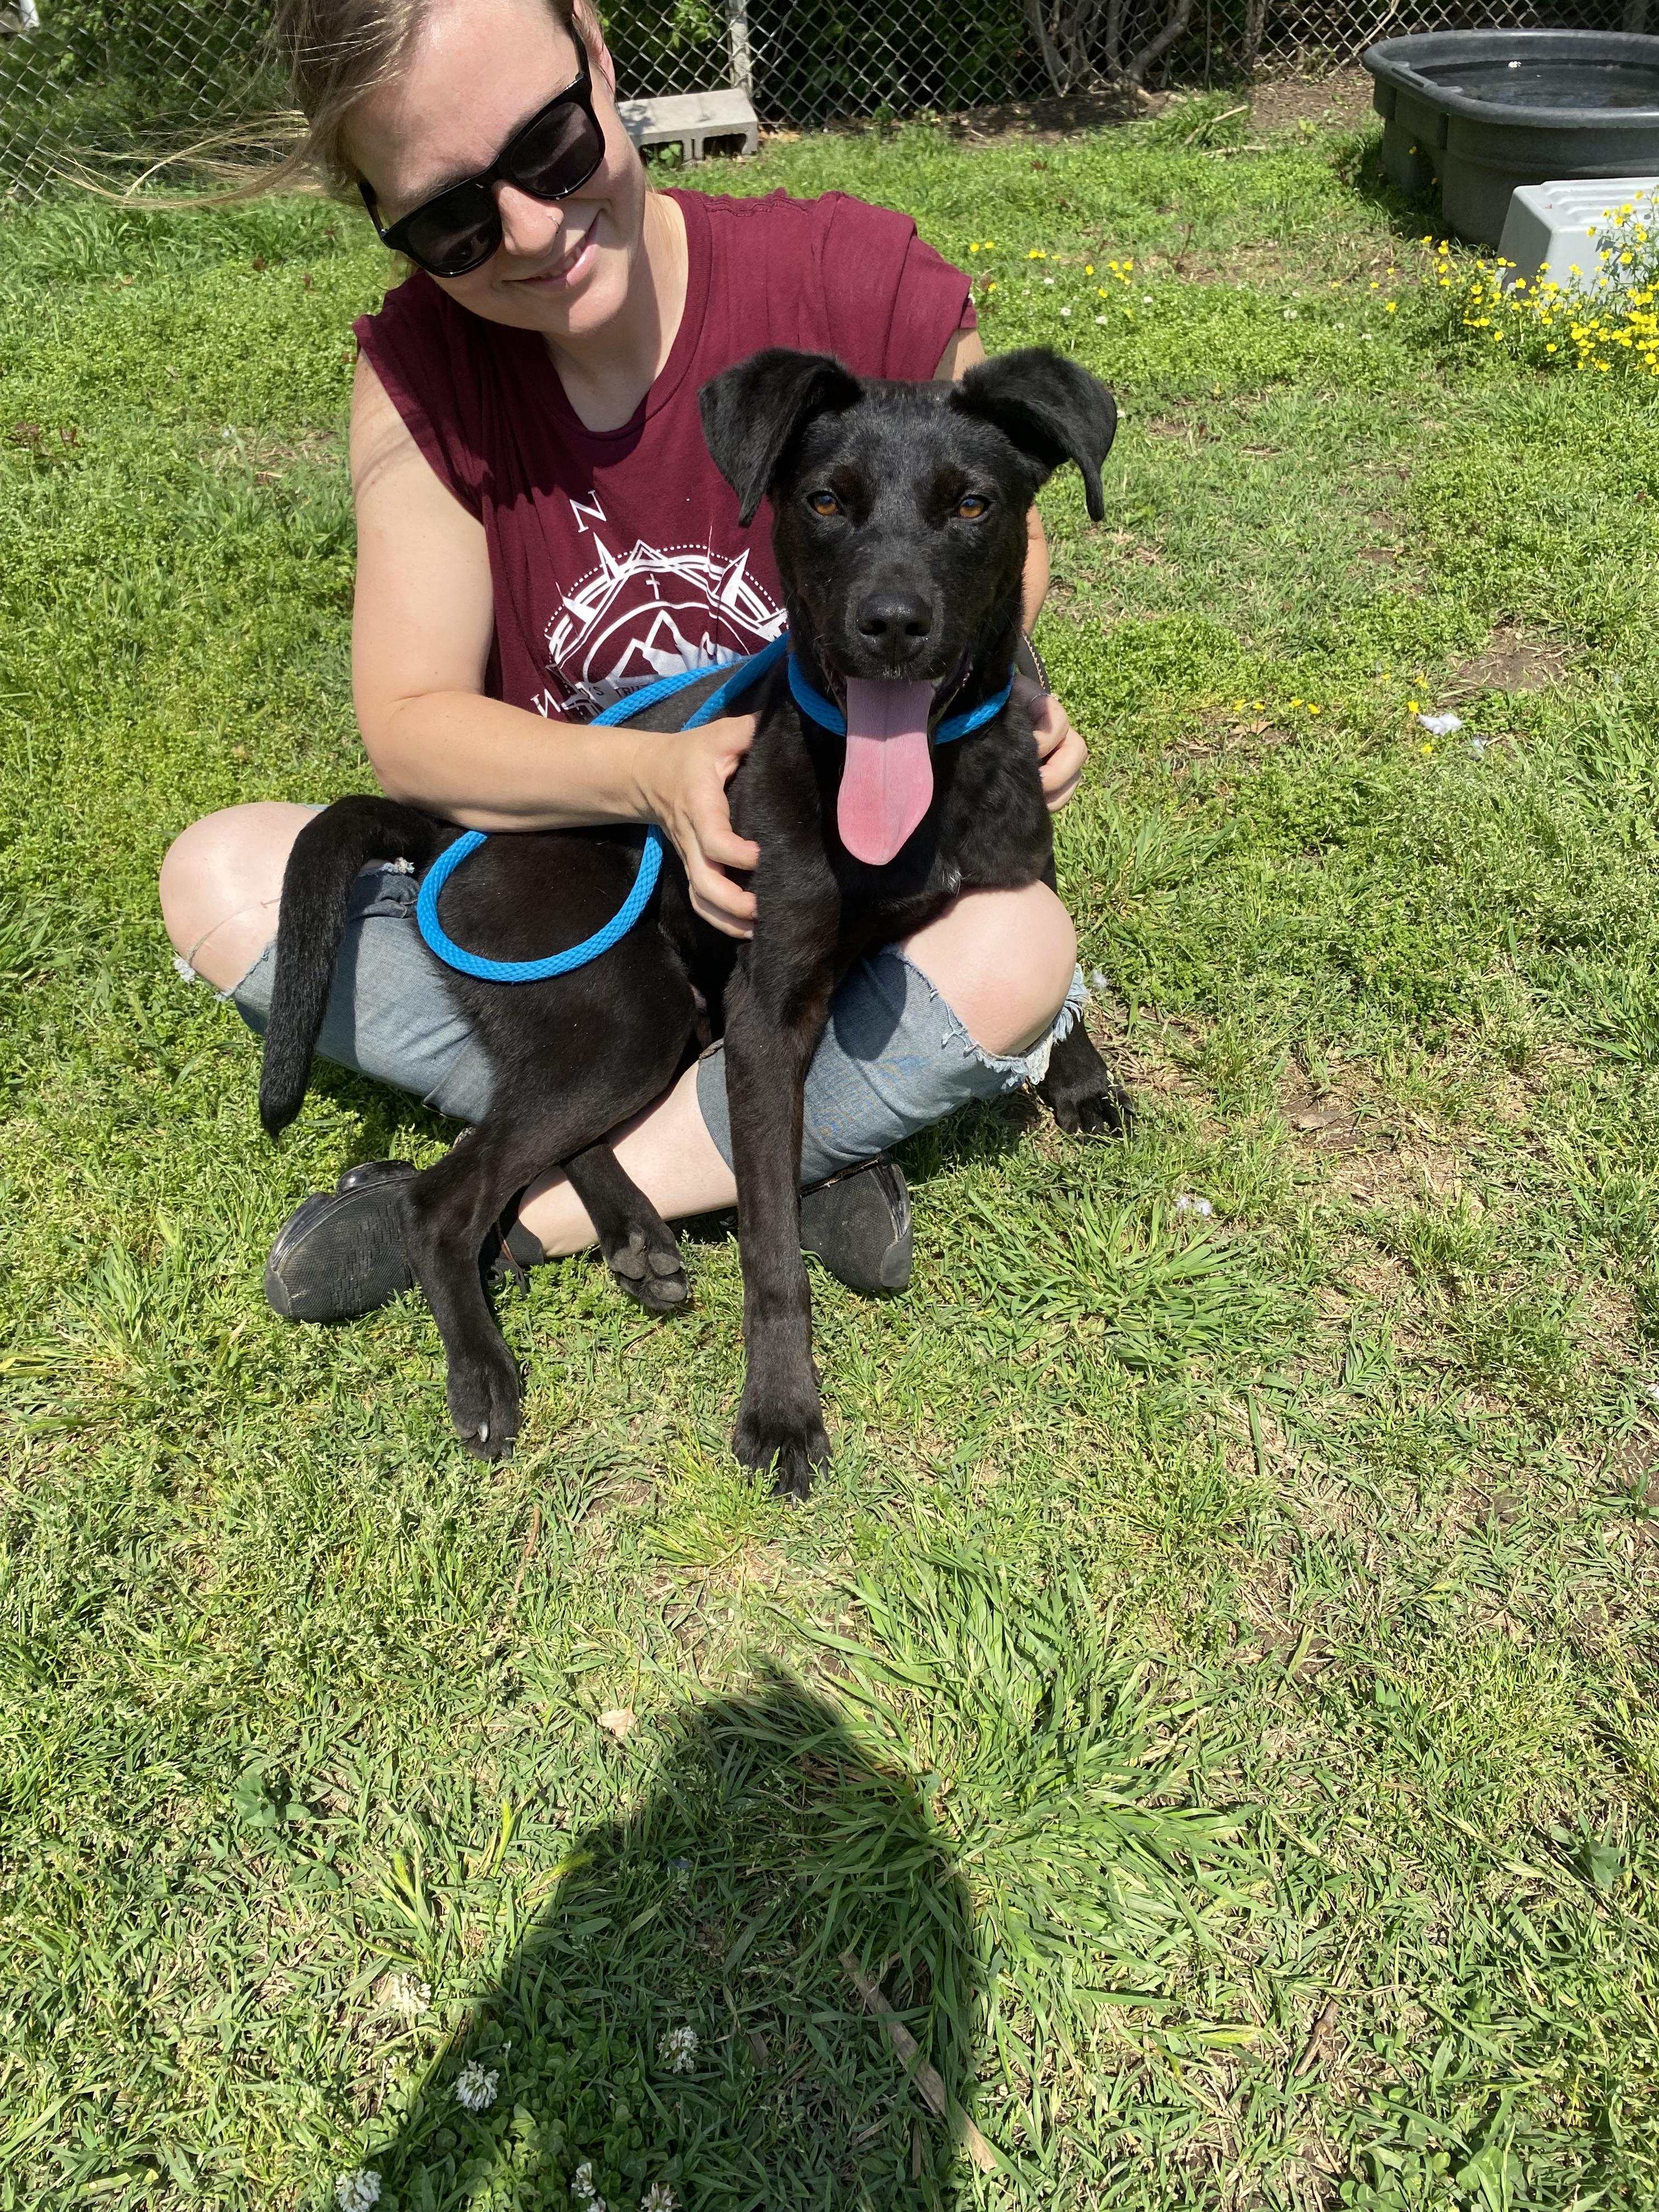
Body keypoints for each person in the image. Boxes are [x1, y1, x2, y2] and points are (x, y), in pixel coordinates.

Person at [159, 0, 1092, 1317]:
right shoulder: (427, 375)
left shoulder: (849, 271)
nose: (532, 231)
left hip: (843, 877)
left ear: (598, 57)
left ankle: (540, 1200)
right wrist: (653, 779)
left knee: (1020, 945)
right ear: (385, 222)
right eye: (452, 220)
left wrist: (994, 702)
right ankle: (784, 1129)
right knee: (219, 874)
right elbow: (413, 720)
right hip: (588, 904)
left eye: (550, 145)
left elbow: (993, 527)